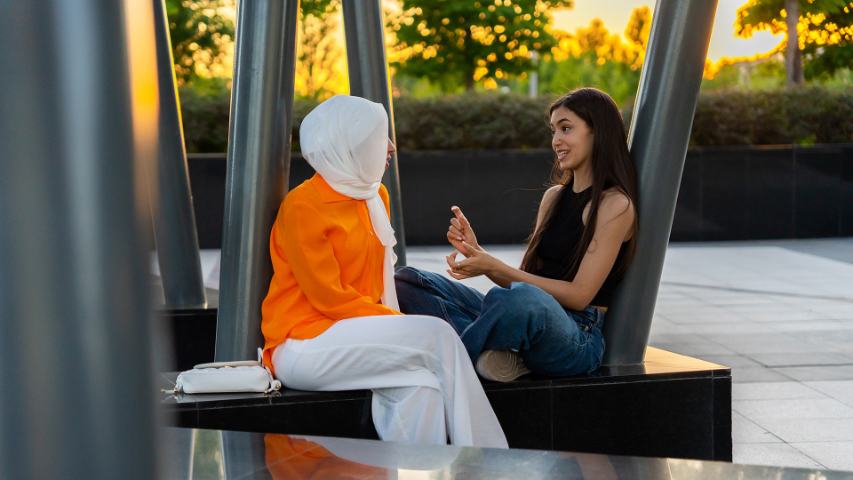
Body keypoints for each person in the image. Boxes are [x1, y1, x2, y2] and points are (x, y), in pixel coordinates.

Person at [260, 95, 507, 448]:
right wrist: (399, 325)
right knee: (437, 335)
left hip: (359, 333)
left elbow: (378, 283)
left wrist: (394, 325)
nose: (391, 147)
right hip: (303, 343)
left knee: (424, 387)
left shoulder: (376, 196)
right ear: (350, 144)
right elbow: (329, 298)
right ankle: (490, 462)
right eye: (380, 137)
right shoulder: (304, 206)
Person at [395, 88, 638, 382]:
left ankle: (456, 357)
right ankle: (497, 353)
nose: (556, 140)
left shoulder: (615, 205)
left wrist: (492, 267)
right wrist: (478, 254)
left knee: (521, 300)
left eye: (566, 128)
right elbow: (524, 278)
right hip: (530, 315)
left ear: (597, 132)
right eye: (553, 131)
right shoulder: (554, 198)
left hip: (576, 337)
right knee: (406, 281)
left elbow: (579, 295)